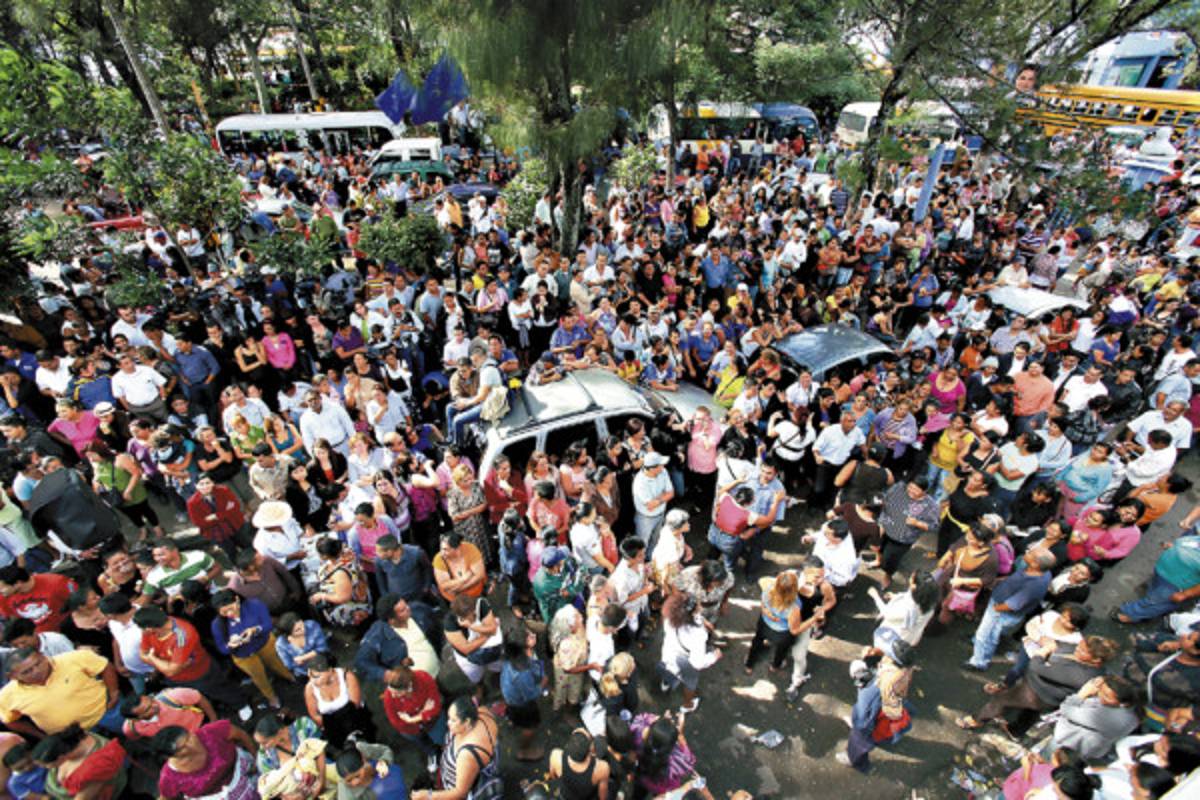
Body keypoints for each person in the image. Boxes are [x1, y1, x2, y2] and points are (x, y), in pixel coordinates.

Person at [0, 648, 121, 737]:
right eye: (27, 671)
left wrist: (114, 693)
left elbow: (105, 666)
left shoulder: (73, 658)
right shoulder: (6, 696)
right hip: (74, 736)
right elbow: (10, 720)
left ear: (43, 656)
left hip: (108, 712)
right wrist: (41, 736)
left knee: (137, 735)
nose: (36, 671)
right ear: (12, 676)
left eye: (38, 663)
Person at [210, 589, 294, 709]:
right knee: (259, 677)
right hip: (244, 656)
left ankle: (289, 676)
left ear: (237, 599)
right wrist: (230, 646)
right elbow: (222, 648)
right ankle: (271, 696)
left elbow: (268, 624)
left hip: (265, 643)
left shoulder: (254, 605)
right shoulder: (217, 624)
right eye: (224, 612)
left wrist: (255, 630)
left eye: (231, 608)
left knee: (278, 662)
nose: (229, 614)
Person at [410, 696, 502, 800]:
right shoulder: (483, 712)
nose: (448, 723)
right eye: (449, 718)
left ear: (467, 722)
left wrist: (428, 795)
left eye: (453, 720)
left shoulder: (466, 755)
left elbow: (460, 793)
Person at [153, 721, 260, 800]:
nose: (191, 745)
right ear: (171, 756)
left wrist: (256, 758)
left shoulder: (211, 731)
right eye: (182, 748)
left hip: (248, 774)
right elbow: (165, 798)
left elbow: (242, 735)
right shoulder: (169, 777)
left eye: (189, 737)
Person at [658, 591, 720, 713]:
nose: (700, 606)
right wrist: (714, 656)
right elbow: (697, 663)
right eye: (698, 605)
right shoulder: (697, 634)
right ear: (693, 612)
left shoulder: (671, 616)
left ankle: (666, 683)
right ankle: (687, 705)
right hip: (685, 659)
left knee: (668, 668)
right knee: (690, 682)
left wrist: (702, 621)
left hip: (669, 650)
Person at [304, 655, 374, 744]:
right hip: (335, 730)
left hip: (356, 720)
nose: (312, 681)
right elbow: (315, 716)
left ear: (330, 670)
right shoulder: (310, 688)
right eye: (309, 676)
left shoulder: (347, 676)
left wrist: (330, 720)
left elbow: (355, 704)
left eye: (317, 676)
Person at [547, 728, 610, 800]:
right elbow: (603, 797)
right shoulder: (602, 769)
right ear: (589, 753)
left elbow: (553, 776)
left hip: (564, 795)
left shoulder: (556, 756)